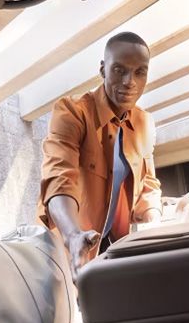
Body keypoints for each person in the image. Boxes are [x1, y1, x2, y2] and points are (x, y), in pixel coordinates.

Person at [37, 31, 162, 276]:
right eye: (119, 70)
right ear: (103, 69)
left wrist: (156, 223)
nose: (129, 82)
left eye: (140, 72)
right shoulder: (72, 112)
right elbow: (59, 177)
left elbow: (148, 184)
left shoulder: (145, 123)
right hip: (66, 247)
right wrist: (73, 236)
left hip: (113, 246)